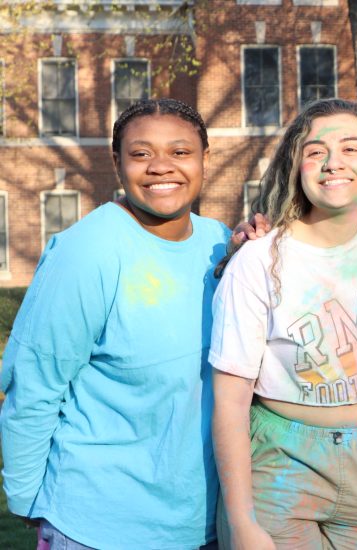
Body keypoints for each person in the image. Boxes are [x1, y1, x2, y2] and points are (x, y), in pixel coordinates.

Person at [0, 98, 226, 549]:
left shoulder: (220, 243)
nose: (161, 166)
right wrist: (26, 497)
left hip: (203, 519)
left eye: (180, 152)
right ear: (118, 163)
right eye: (141, 153)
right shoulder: (88, 251)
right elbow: (35, 381)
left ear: (204, 158)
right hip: (99, 522)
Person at [210, 98, 357, 550]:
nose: (332, 162)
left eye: (351, 148)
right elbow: (229, 401)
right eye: (316, 151)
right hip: (282, 465)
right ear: (296, 169)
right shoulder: (258, 261)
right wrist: (242, 521)